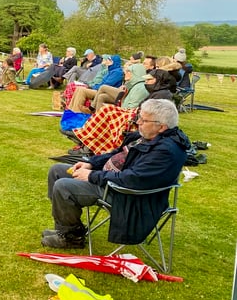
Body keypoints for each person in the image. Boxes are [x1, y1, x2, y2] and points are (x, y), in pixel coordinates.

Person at [42, 99, 190, 248]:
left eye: (143, 120)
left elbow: (133, 179)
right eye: (139, 117)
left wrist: (91, 176)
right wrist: (91, 163)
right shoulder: (146, 137)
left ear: (161, 127)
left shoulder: (165, 151)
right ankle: (66, 228)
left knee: (64, 186)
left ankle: (71, 238)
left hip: (129, 197)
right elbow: (116, 154)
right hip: (114, 180)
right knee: (57, 171)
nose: (137, 122)